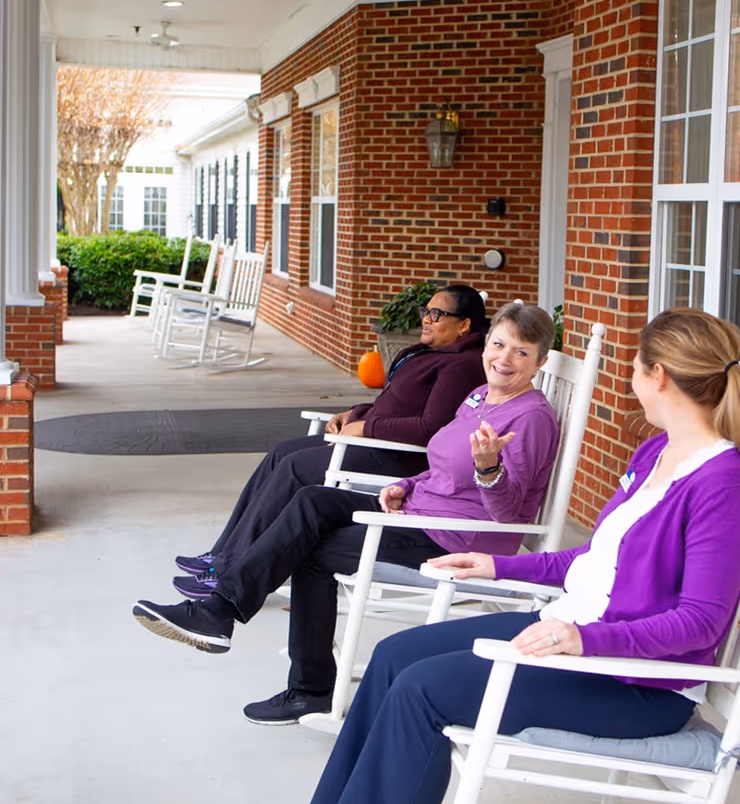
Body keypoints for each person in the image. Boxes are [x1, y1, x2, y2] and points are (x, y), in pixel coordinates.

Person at [278, 308, 740, 804]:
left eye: (636, 369)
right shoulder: (657, 454)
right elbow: (595, 561)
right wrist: (499, 566)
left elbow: (701, 622)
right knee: (395, 656)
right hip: (575, 641)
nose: (631, 380)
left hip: (631, 681)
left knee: (422, 692)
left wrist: (582, 637)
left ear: (660, 377)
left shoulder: (724, 486)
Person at [132, 303, 561, 726]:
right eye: (499, 344)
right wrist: (406, 485)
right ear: (486, 343)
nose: (505, 359)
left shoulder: (531, 419)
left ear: (539, 362)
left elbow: (508, 514)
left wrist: (488, 467)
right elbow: (441, 465)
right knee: (313, 500)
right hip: (422, 511)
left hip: (457, 538)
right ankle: (222, 613)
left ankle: (305, 685)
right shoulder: (479, 397)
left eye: (521, 352)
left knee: (312, 553)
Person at [173, 285, 490, 594]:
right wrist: (354, 413)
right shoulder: (438, 353)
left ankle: (228, 569)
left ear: (464, 324)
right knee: (282, 452)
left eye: (437, 314)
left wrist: (364, 428)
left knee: (296, 467)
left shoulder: (461, 365)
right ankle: (223, 554)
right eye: (426, 311)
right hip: (375, 443)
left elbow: (429, 427)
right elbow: (396, 403)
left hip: (398, 458)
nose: (426, 319)